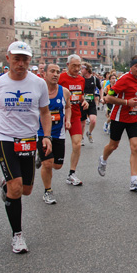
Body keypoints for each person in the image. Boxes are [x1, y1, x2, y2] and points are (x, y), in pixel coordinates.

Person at [0, 41, 52, 254]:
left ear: (30, 60)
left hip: (28, 138)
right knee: (16, 187)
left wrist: (46, 136)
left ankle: (5, 184)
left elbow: (45, 112)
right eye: (16, 58)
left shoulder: (39, 84)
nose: (21, 63)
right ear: (8, 58)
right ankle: (17, 235)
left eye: (25, 59)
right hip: (5, 137)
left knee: (26, 190)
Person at [97, 55, 137, 191]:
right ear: (131, 67)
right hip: (119, 117)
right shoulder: (124, 79)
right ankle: (103, 159)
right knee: (113, 146)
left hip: (134, 118)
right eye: (136, 66)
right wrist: (126, 102)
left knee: (136, 147)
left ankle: (134, 180)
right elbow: (109, 97)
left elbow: (136, 96)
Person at [36, 64, 71, 205]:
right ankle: (48, 191)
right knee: (48, 164)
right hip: (42, 133)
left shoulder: (65, 92)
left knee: (57, 165)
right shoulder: (38, 91)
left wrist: (68, 120)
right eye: (52, 71)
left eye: (58, 72)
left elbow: (68, 107)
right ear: (44, 74)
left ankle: (40, 157)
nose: (56, 74)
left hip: (59, 133)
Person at [58, 54, 89, 186]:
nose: (77, 69)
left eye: (79, 66)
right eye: (74, 66)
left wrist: (84, 101)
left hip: (75, 115)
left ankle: (71, 174)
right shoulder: (60, 78)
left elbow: (79, 95)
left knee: (77, 144)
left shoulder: (81, 80)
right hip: (59, 115)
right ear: (67, 66)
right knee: (53, 151)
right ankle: (41, 155)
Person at [80, 62, 101, 144]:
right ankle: (81, 137)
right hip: (82, 103)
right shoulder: (80, 79)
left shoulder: (95, 79)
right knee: (83, 122)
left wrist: (101, 97)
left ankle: (89, 133)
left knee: (93, 120)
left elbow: (100, 88)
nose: (81, 70)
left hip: (91, 102)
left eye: (82, 68)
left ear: (87, 69)